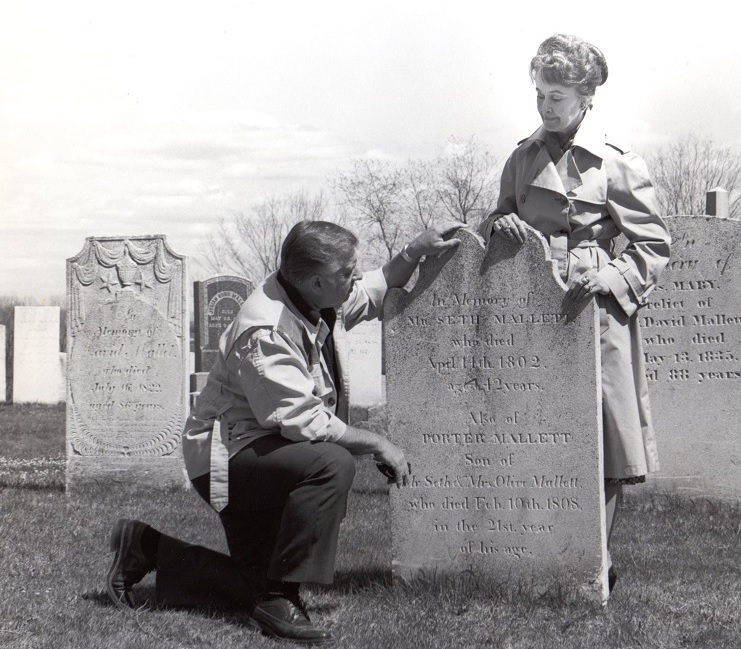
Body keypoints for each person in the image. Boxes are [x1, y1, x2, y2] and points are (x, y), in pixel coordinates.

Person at [105, 220, 462, 644]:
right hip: (224, 459)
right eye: (348, 271)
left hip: (263, 448)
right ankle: (282, 594)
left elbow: (375, 288)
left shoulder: (311, 297)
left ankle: (145, 546)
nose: (355, 277)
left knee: (250, 586)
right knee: (331, 463)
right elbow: (306, 422)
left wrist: (414, 251)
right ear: (315, 282)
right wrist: (380, 443)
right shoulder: (267, 329)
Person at [480, 34, 670, 592]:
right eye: (539, 94)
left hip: (598, 311)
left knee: (605, 440)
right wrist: (501, 226)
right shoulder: (521, 157)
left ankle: (596, 562)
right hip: (535, 308)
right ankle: (542, 553)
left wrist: (609, 278)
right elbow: (495, 219)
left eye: (556, 96)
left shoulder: (616, 162)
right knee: (537, 434)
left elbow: (653, 245)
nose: (545, 106)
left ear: (586, 98)